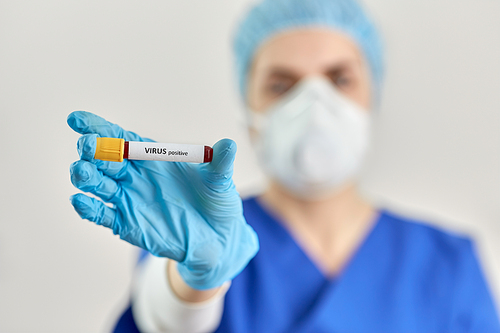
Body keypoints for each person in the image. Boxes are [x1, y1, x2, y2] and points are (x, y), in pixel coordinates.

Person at [67, 0, 500, 332]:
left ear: (373, 95)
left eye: (339, 79)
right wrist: (195, 283)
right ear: (249, 110)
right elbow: (161, 315)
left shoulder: (447, 263)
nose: (314, 106)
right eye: (281, 85)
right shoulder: (198, 229)